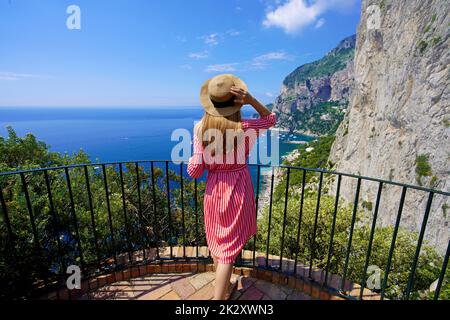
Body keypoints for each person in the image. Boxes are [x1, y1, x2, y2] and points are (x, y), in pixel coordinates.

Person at [187, 74, 277, 300]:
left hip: (214, 189)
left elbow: (195, 171)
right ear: (236, 102)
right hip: (239, 187)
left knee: (219, 241)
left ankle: (223, 290)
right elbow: (271, 119)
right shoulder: (245, 127)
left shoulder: (200, 129)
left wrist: (196, 154)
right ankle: (221, 297)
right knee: (227, 249)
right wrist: (252, 101)